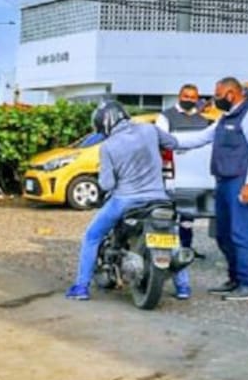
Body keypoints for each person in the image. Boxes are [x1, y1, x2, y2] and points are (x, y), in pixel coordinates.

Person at [66, 100, 179, 301]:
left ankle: (81, 287)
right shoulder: (149, 129)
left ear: (104, 123)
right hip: (158, 197)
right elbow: (174, 143)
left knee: (92, 236)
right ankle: (184, 287)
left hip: (125, 200)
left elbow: (107, 184)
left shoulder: (108, 146)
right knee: (172, 237)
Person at [173, 76, 248, 301]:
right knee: (224, 234)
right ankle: (235, 279)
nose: (214, 99)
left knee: (241, 233)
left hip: (240, 181)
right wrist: (169, 140)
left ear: (231, 94)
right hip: (224, 180)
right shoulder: (225, 117)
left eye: (217, 95)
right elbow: (201, 138)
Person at [156, 84, 209, 300]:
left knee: (187, 220)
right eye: (186, 96)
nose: (189, 100)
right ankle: (171, 269)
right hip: (169, 177)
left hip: (194, 178)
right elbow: (161, 143)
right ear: (179, 96)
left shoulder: (203, 121)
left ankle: (185, 252)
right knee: (167, 221)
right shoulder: (166, 117)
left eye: (193, 97)